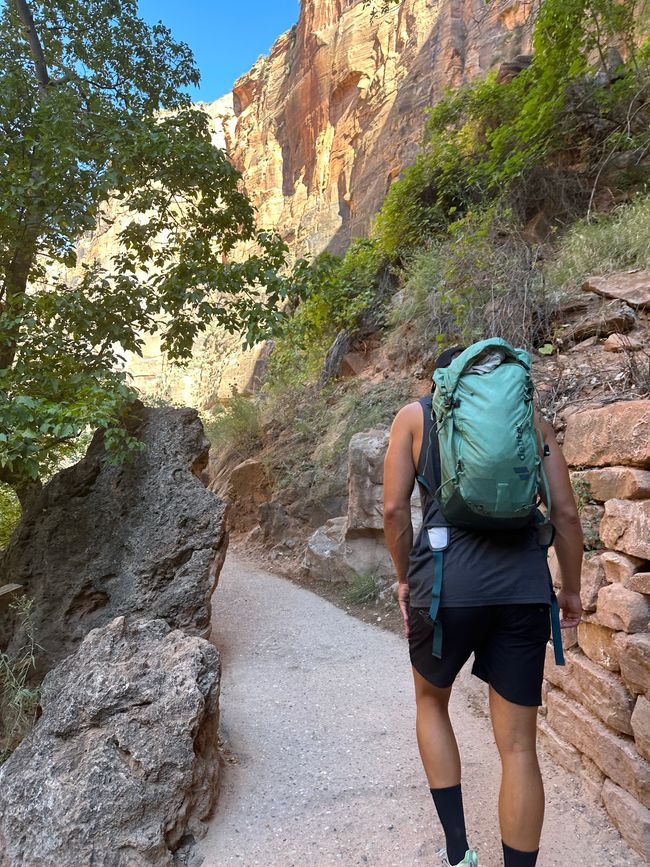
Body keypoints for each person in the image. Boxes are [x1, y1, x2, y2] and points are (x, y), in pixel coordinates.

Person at [383, 345, 583, 867]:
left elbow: (392, 511)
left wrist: (406, 579)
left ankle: (458, 853)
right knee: (519, 748)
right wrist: (572, 590)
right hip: (522, 587)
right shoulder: (530, 424)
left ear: (444, 381)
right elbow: (564, 512)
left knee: (431, 703)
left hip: (445, 588)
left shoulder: (414, 418)